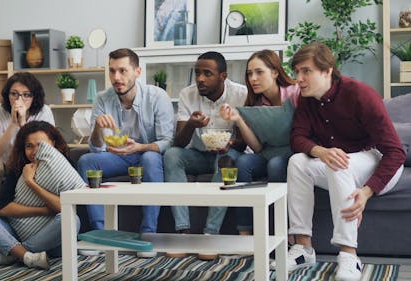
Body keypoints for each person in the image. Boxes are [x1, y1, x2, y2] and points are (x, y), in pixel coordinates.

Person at [273, 42, 405, 281]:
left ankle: (348, 255)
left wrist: (366, 192)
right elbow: (298, 138)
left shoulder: (360, 94)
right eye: (297, 72)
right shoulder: (307, 99)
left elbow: (395, 152)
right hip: (340, 165)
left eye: (306, 71)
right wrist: (320, 151)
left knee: (338, 163)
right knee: (297, 162)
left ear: (327, 71)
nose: (299, 79)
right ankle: (303, 248)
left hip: (378, 162)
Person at [76, 48, 174, 258]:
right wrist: (96, 129)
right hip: (119, 156)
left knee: (149, 157)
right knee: (87, 161)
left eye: (123, 71)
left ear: (138, 71)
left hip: (148, 154)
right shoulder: (103, 99)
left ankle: (149, 235)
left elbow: (167, 141)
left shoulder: (157, 96)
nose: (116, 78)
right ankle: (100, 234)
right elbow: (96, 148)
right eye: (112, 71)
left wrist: (139, 147)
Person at [0, 121, 85, 269]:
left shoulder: (65, 167)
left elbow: (65, 208)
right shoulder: (18, 167)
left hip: (52, 241)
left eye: (40, 145)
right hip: (16, 231)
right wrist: (44, 210)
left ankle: (13, 254)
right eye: (29, 146)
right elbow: (2, 208)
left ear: (53, 143)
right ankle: (26, 256)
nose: (35, 151)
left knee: (72, 219)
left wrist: (31, 183)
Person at [163, 51, 247, 260]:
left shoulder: (241, 94)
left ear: (223, 76)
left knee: (226, 161)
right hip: (198, 154)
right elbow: (180, 142)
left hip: (228, 153)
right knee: (172, 155)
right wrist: (191, 124)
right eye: (197, 73)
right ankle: (183, 232)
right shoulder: (187, 94)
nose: (200, 78)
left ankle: (211, 234)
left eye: (207, 73)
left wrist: (231, 143)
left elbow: (247, 139)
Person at [219, 50, 300, 235]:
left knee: (276, 165)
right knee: (243, 162)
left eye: (259, 72)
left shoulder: (295, 94)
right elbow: (257, 147)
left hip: (293, 152)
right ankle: (245, 232)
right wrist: (238, 119)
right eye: (249, 73)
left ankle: (279, 233)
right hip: (268, 152)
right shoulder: (256, 104)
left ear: (275, 72)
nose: (253, 78)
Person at [0, 72, 55, 205]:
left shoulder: (44, 112)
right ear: (8, 95)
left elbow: (45, 151)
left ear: (34, 96)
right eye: (14, 94)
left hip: (28, 161)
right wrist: (13, 124)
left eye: (26, 95)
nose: (19, 100)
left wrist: (23, 124)